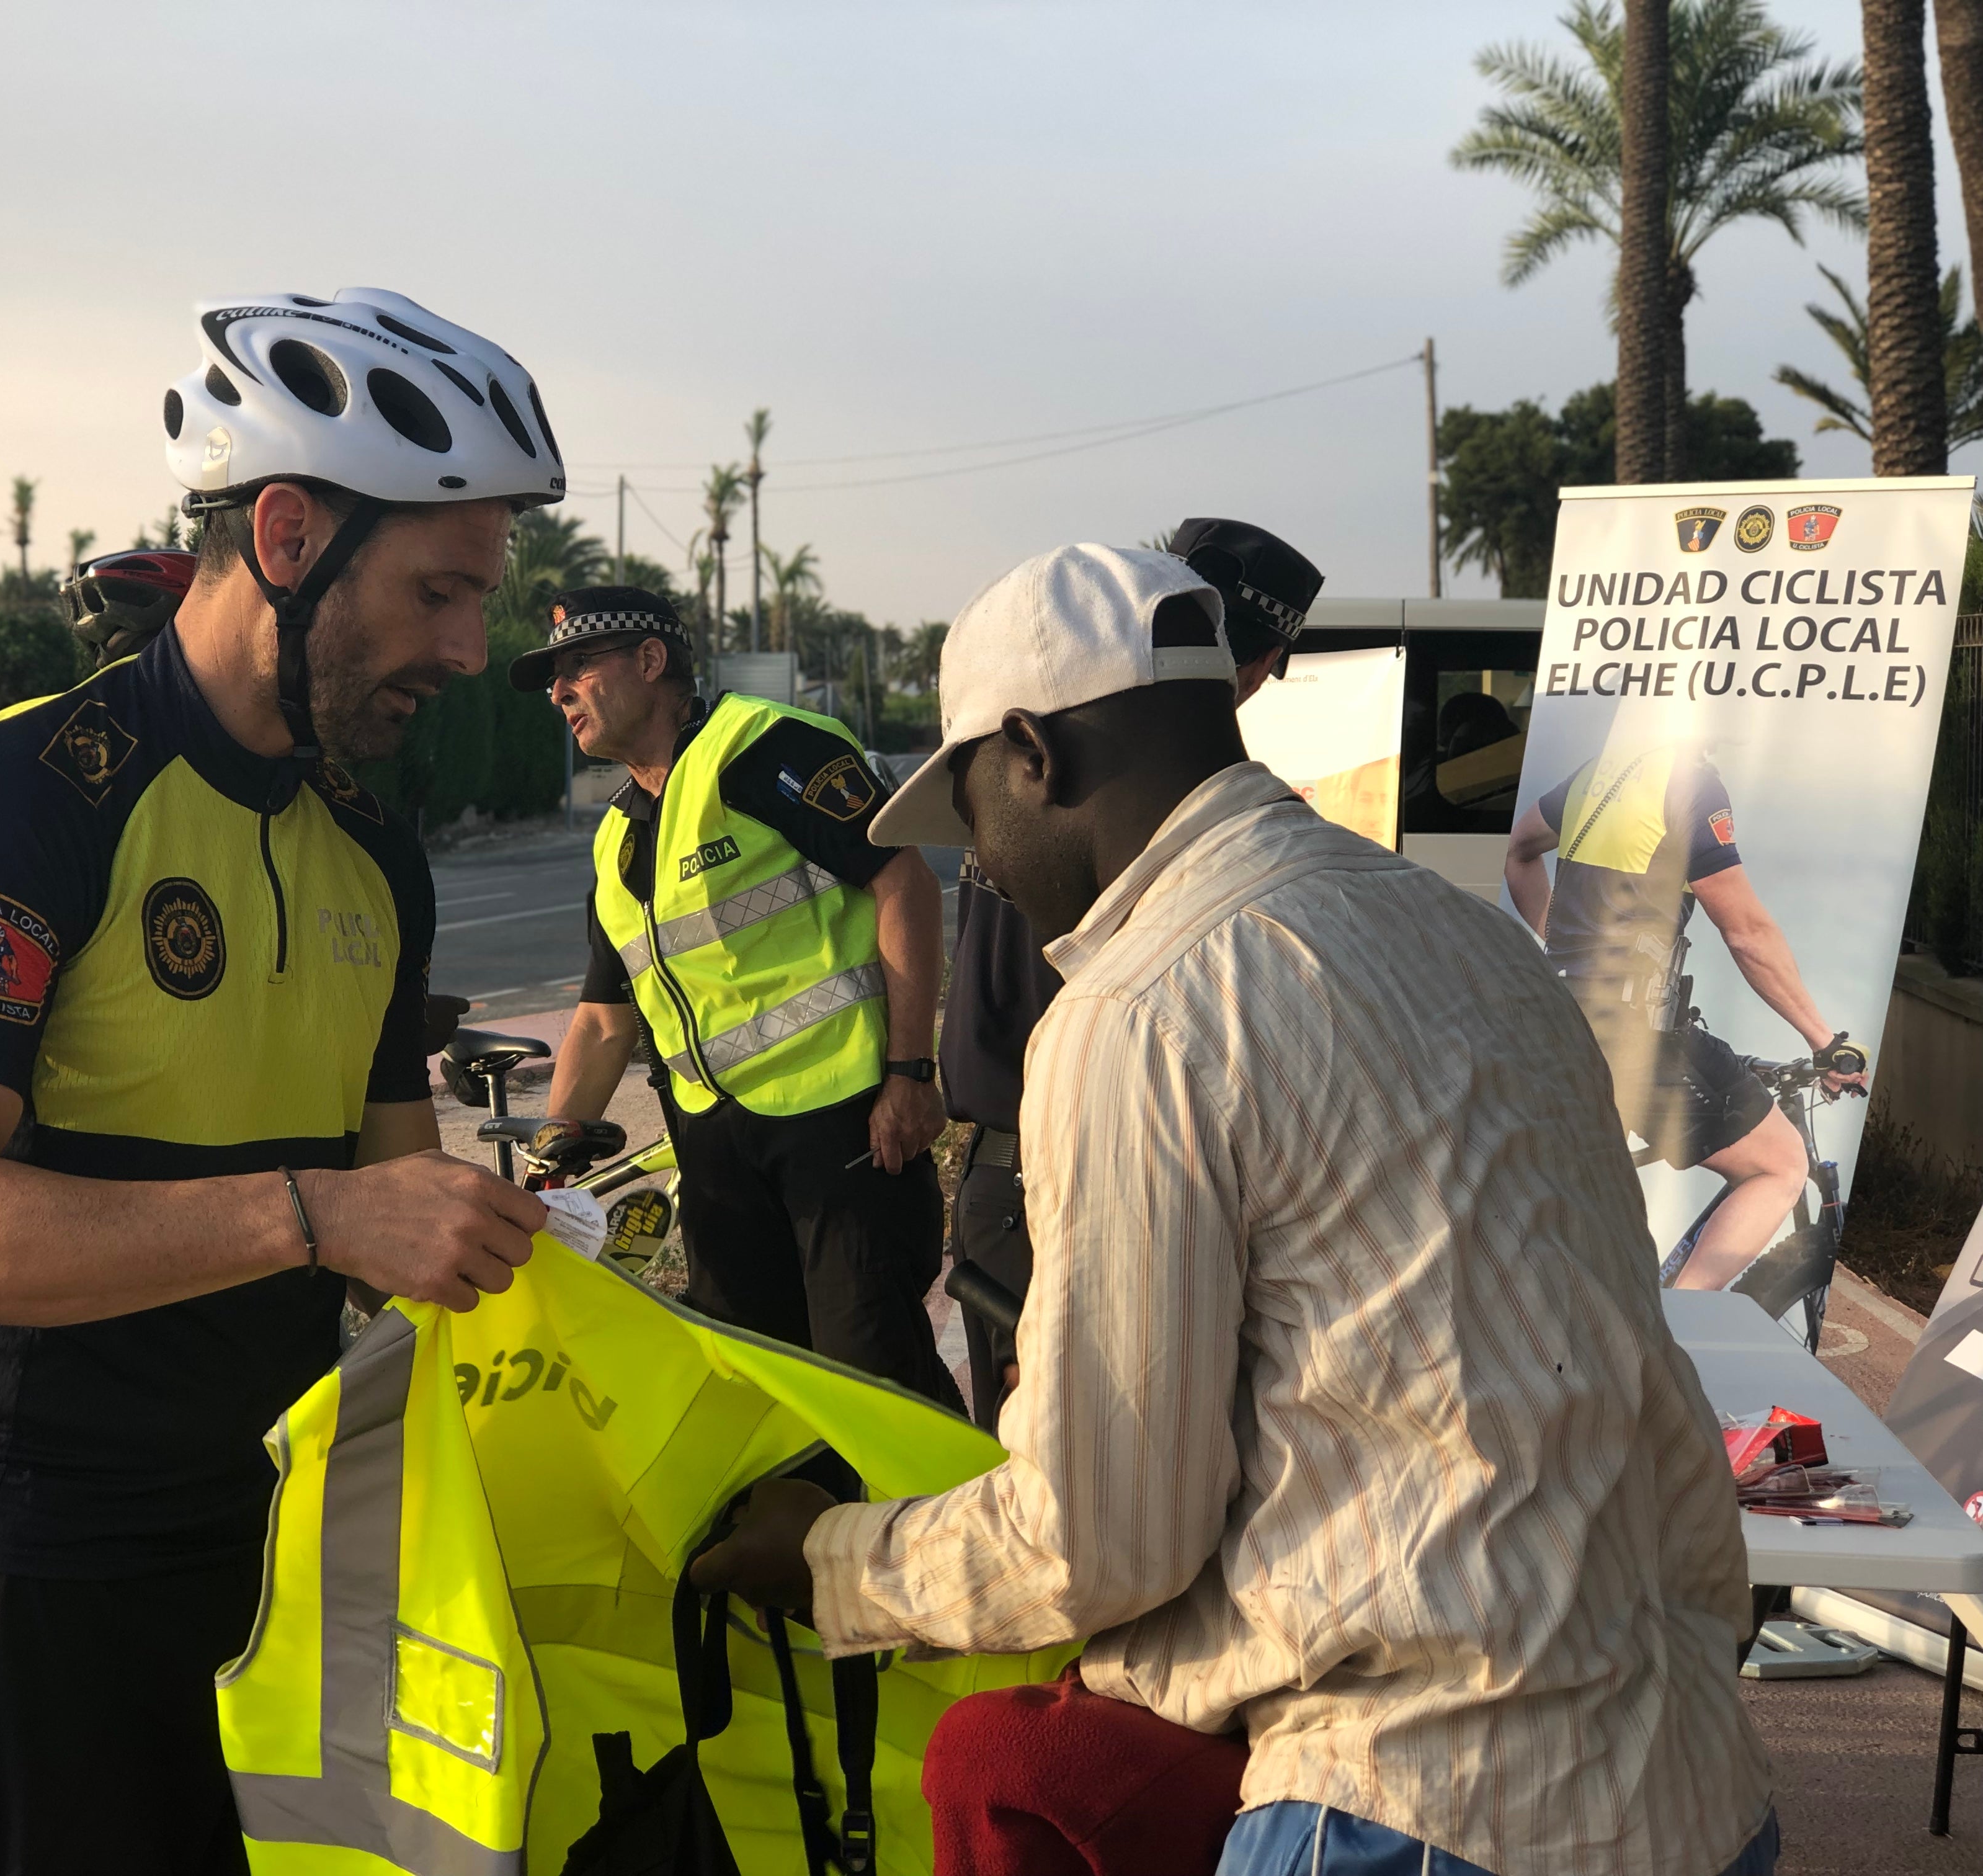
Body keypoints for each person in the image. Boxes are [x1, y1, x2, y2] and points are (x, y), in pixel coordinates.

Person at [694, 543, 1778, 1876]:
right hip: (1691, 1777)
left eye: (968, 813)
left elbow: (1103, 1535)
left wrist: (829, 1561)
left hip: (1417, 1795)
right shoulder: (1468, 935)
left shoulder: (1140, 1007)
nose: (982, 864)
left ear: (1032, 753)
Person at [0, 288, 559, 1876]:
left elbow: (393, 1217)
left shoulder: (372, 850)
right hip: (29, 1591)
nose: (469, 650)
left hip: (277, 1570)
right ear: (287, 536)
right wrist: (317, 1216)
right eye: (440, 591)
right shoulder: (21, 800)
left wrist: (530, 1267)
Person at [519, 586, 962, 1409]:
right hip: (717, 1153)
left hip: (842, 1128)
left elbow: (904, 885)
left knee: (874, 1386)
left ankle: (956, 1500)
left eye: (577, 666)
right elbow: (606, 1018)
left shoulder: (762, 746)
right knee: (759, 1396)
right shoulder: (617, 837)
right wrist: (552, 1155)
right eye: (553, 678)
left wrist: (910, 1073)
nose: (559, 693)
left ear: (650, 661)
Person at [942, 517, 1321, 1429]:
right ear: (1251, 666)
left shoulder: (1040, 780)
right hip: (1077, 1175)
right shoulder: (1199, 858)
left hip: (1017, 1163)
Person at [1505, 741, 1868, 1292]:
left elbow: (1520, 852)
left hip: (1561, 1020)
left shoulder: (1598, 772)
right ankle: (1680, 1327)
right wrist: (1825, 1042)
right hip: (1632, 1037)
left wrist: (1562, 952)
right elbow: (1747, 934)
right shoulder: (1689, 785)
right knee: (1779, 1164)